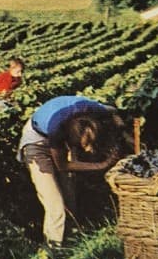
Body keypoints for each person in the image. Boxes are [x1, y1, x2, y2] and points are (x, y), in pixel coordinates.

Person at [17, 95, 127, 249]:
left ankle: (71, 238)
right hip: (36, 143)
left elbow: (113, 111)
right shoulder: (56, 130)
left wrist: (120, 131)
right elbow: (63, 165)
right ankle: (53, 250)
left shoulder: (93, 109)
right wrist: (101, 165)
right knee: (54, 203)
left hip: (63, 129)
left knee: (69, 192)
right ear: (70, 137)